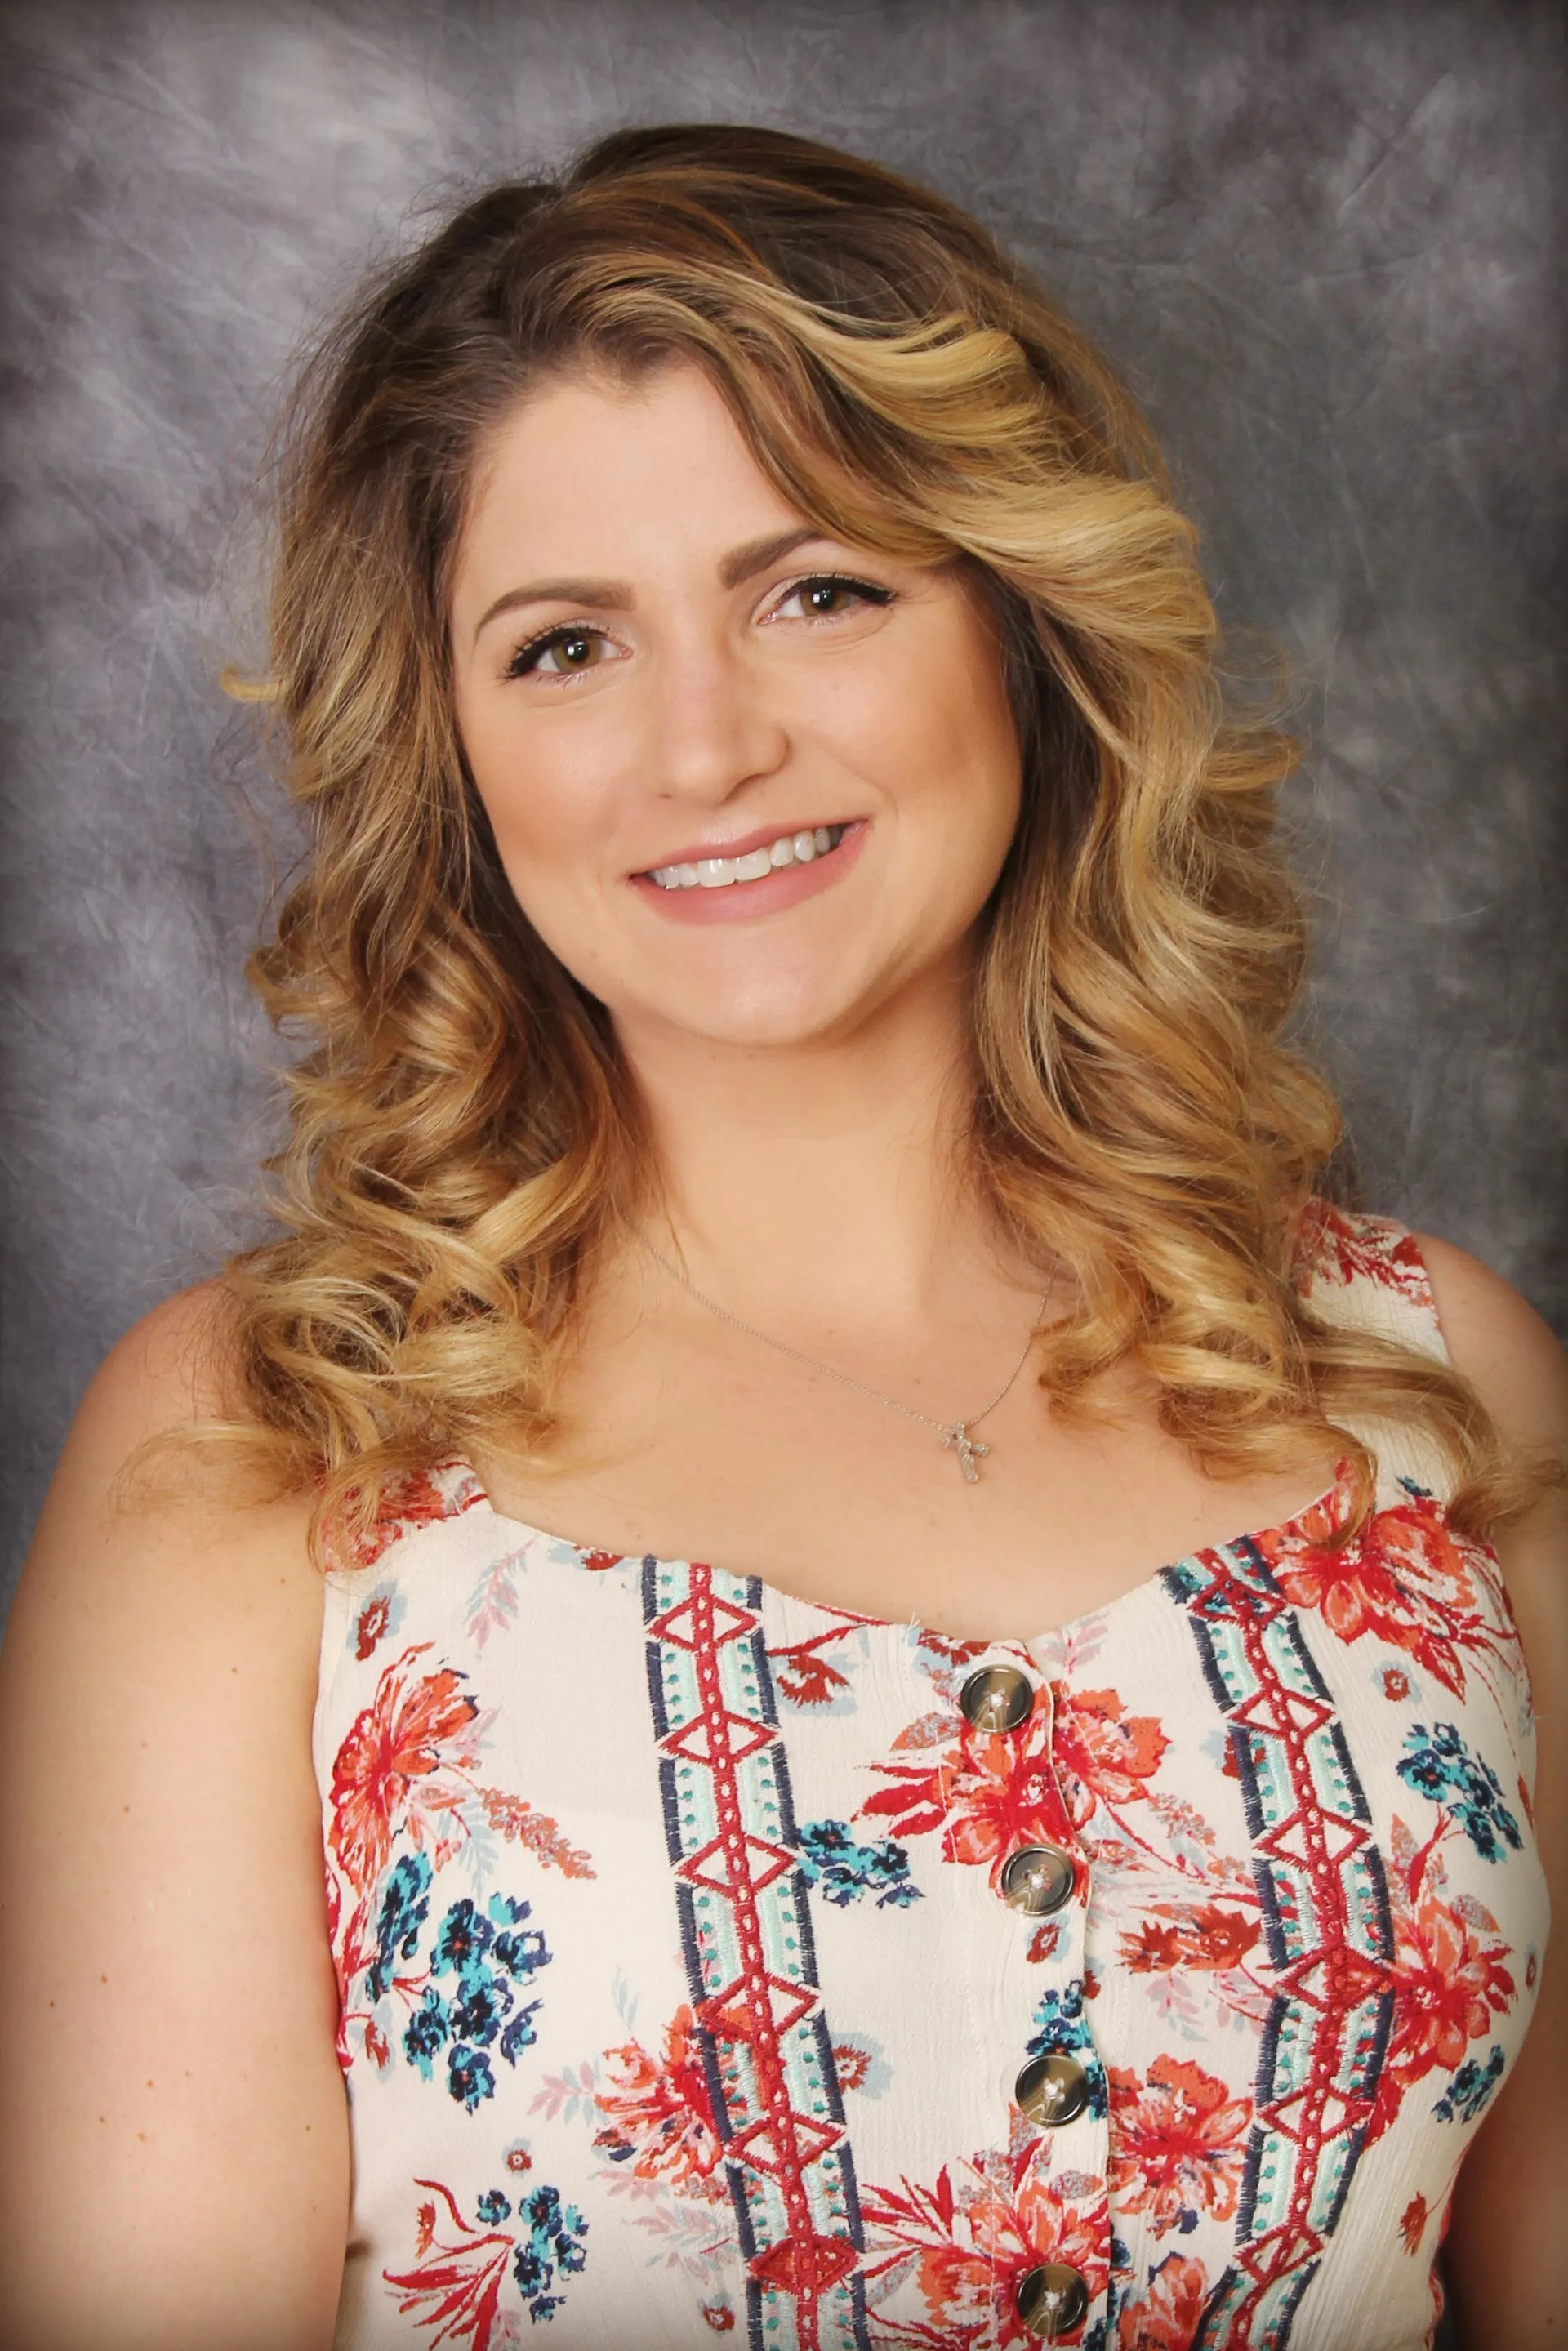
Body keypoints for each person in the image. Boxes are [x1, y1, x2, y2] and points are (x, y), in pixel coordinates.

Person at [0, 122, 1561, 2351]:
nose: (706, 745)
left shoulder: (1438, 1387)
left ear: (1020, 626)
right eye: (565, 646)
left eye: (817, 589)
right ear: (454, 750)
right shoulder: (261, 1451)